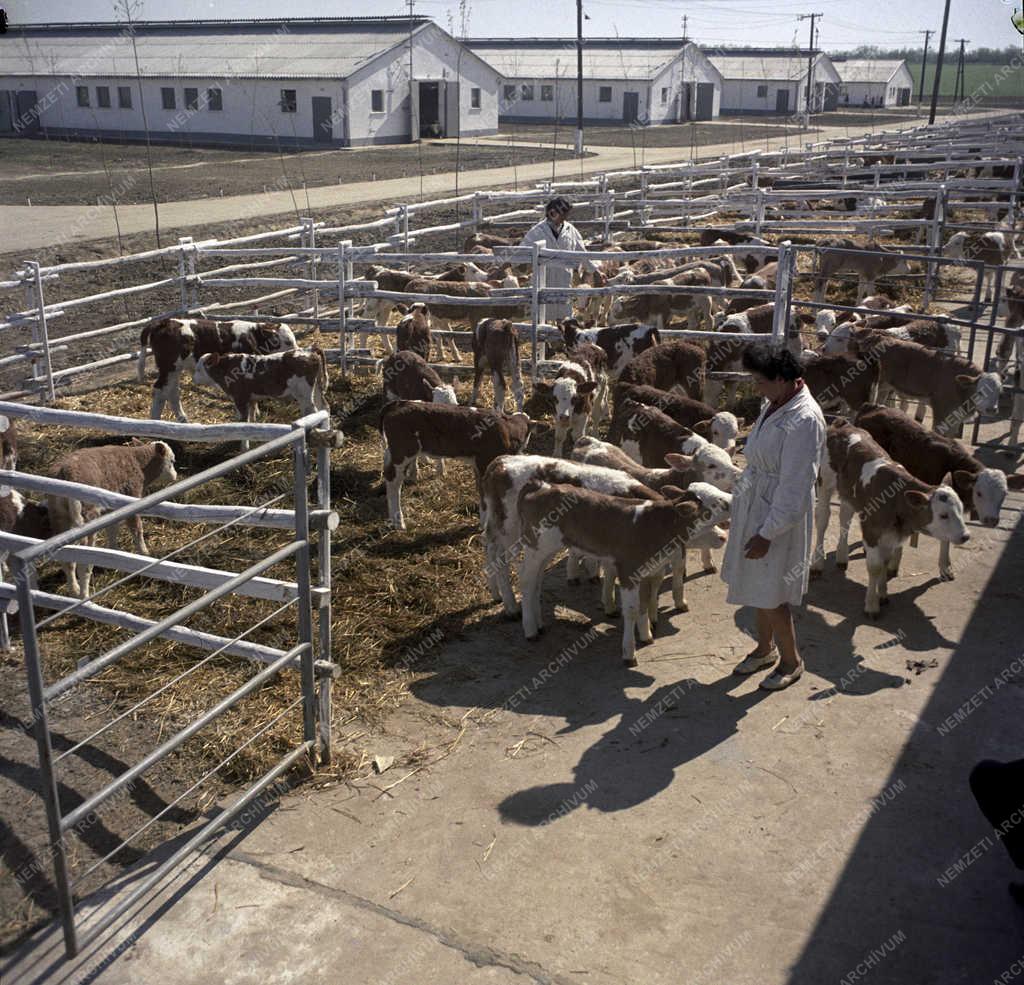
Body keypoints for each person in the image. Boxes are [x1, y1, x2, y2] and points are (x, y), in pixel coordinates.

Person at [720, 344, 826, 692]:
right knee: (757, 584)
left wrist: (769, 532)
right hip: (757, 501)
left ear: (781, 379)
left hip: (779, 512)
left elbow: (796, 484)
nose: (756, 388)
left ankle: (791, 662)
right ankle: (764, 649)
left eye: (760, 381)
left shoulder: (804, 420)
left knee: (773, 592)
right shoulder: (776, 402)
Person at [520, 196, 604, 321]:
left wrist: (594, 271)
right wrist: (508, 265)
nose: (566, 216)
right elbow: (522, 252)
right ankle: (544, 339)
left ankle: (559, 340)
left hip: (564, 280)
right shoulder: (536, 231)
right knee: (542, 318)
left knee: (564, 319)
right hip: (543, 281)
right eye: (564, 213)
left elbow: (582, 253)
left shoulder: (571, 230)